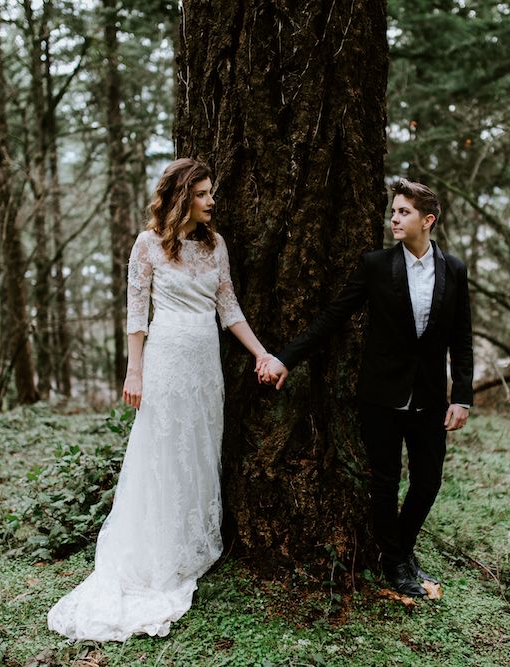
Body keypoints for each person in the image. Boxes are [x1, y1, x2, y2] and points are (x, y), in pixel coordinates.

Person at [48, 158, 272, 640]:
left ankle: (192, 544)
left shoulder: (216, 246)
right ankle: (159, 550)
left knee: (199, 449)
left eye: (211, 192)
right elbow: (136, 313)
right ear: (180, 197)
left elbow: (228, 308)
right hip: (166, 360)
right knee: (163, 452)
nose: (212, 201)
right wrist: (136, 370)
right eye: (203, 193)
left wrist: (261, 353)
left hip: (205, 364)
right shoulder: (147, 245)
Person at [259, 179, 473, 598]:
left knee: (428, 482)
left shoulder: (454, 270)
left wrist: (462, 395)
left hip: (431, 398)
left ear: (428, 220)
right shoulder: (376, 265)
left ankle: (400, 549)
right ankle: (396, 563)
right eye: (393, 211)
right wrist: (285, 358)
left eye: (404, 212)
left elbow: (460, 338)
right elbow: (333, 317)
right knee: (385, 482)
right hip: (381, 397)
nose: (394, 218)